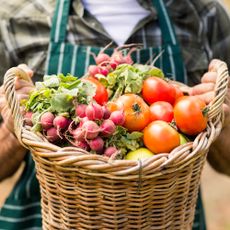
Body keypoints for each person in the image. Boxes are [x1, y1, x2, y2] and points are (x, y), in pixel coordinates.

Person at [0, 0, 230, 229]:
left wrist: (221, 119)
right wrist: (16, 128)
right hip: (47, 218)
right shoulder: (15, 18)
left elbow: (226, 164)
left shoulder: (203, 15)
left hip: (166, 217)